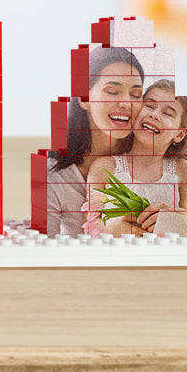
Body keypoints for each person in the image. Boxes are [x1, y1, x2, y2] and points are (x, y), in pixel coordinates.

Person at [84, 79, 187, 237]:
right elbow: (90, 227)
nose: (155, 114)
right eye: (149, 106)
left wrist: (179, 223)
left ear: (179, 134)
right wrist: (113, 231)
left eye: (168, 113)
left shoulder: (179, 168)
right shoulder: (105, 167)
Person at [46, 47, 145, 236]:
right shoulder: (55, 176)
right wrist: (112, 233)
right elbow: (43, 256)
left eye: (135, 95)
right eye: (112, 91)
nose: (127, 103)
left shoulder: (153, 160)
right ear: (84, 99)